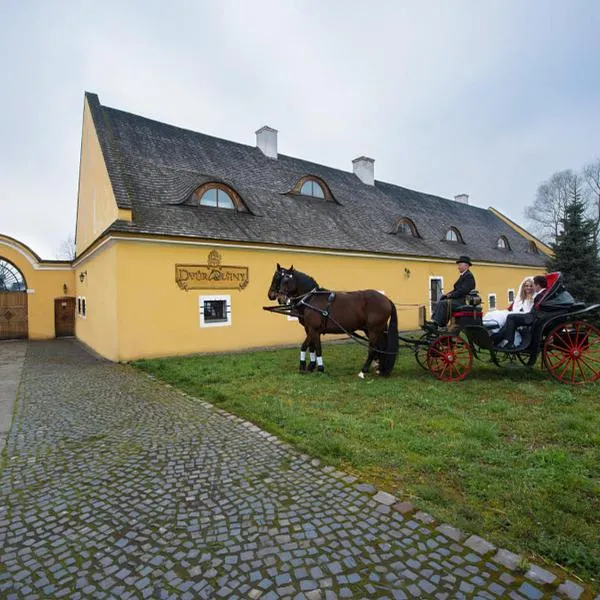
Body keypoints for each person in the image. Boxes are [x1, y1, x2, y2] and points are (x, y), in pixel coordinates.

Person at [498, 275, 548, 349]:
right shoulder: (542, 294)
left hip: (532, 317)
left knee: (510, 317)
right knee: (510, 317)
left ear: (537, 285)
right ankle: (501, 338)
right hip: (532, 315)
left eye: (533, 285)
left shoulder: (541, 295)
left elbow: (535, 309)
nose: (532, 287)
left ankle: (508, 341)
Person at [426, 256, 476, 329]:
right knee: (442, 300)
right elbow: (456, 289)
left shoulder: (468, 276)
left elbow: (462, 291)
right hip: (458, 300)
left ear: (466, 265)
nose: (458, 267)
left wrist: (450, 295)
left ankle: (439, 323)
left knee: (444, 303)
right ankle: (434, 321)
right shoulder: (464, 276)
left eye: (459, 265)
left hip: (463, 301)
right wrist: (446, 295)